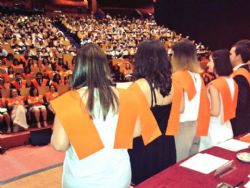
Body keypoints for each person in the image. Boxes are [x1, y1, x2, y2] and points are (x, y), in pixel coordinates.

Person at [50, 43, 161, 188]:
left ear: (78, 68)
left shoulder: (69, 101)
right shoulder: (126, 95)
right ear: (105, 67)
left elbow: (59, 145)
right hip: (119, 176)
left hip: (82, 179)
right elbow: (137, 131)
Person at [128, 40, 176, 185]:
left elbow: (132, 128)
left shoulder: (138, 87)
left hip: (144, 147)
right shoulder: (172, 83)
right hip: (166, 143)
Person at [166, 39, 210, 162]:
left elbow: (180, 107)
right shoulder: (197, 76)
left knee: (180, 163)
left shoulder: (177, 77)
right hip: (196, 124)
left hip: (182, 127)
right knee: (191, 162)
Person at [199, 49, 238, 151]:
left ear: (218, 63)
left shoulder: (214, 85)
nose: (208, 64)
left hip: (213, 131)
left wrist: (199, 111)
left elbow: (215, 112)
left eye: (211, 61)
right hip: (227, 127)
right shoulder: (232, 81)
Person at [229, 40, 250, 136]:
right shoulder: (246, 70)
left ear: (238, 56)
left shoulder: (240, 75)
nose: (229, 57)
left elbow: (241, 103)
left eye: (231, 54)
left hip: (241, 122)